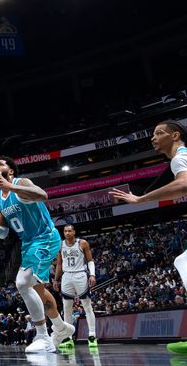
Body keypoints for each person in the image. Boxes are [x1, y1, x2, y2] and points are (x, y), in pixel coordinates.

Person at [0, 156, 74, 353]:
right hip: (28, 244)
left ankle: (43, 337)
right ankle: (61, 328)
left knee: (22, 282)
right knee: (37, 291)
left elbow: (42, 195)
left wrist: (11, 186)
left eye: (0, 165)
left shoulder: (22, 183)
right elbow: (3, 233)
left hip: (45, 237)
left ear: (10, 171)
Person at [110, 119, 187, 354]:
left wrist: (140, 199)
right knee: (182, 261)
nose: (153, 138)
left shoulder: (180, 157)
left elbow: (183, 185)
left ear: (174, 136)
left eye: (159, 133)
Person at [53, 224, 98, 350]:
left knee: (87, 306)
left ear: (74, 232)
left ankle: (92, 335)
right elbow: (59, 264)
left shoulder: (82, 243)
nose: (67, 233)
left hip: (80, 275)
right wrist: (56, 280)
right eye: (65, 231)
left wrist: (92, 275)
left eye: (69, 231)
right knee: (66, 308)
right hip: (66, 276)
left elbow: (90, 260)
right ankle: (68, 338)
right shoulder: (60, 245)